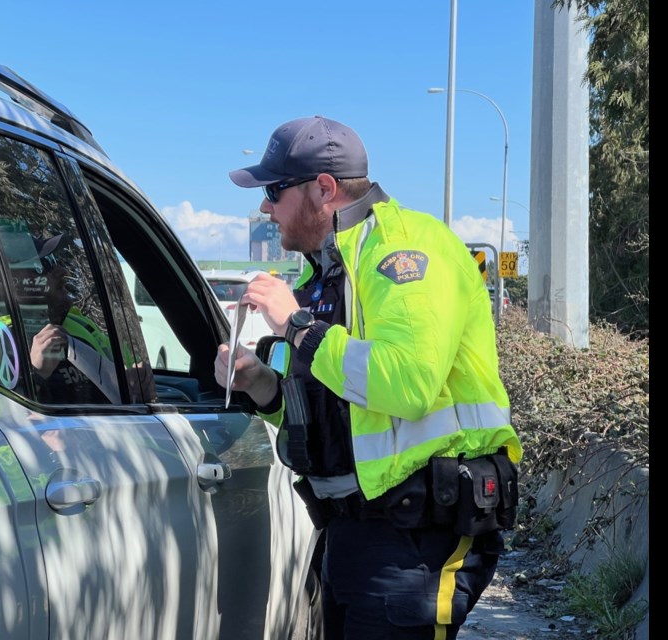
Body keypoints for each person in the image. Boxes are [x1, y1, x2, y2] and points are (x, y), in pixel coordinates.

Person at [216, 116, 523, 639]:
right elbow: (332, 410)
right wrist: (262, 385)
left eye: (273, 191)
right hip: (352, 530)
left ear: (325, 189)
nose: (266, 207)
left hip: (417, 537)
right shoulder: (324, 274)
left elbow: (408, 384)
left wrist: (297, 325)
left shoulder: (405, 253)